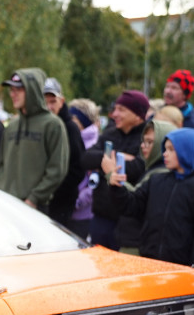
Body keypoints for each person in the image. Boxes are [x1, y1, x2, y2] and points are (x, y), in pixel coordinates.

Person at [108, 127, 194, 267]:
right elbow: (132, 206)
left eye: (171, 150)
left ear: (187, 151)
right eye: (165, 149)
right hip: (150, 260)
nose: (165, 154)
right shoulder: (156, 180)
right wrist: (117, 187)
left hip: (181, 266)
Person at [81, 90, 149, 249]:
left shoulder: (146, 137)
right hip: (101, 217)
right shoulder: (111, 134)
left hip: (129, 223)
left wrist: (106, 163)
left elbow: (139, 168)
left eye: (121, 110)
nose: (114, 114)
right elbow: (86, 158)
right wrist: (119, 157)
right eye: (115, 108)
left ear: (138, 115)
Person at [0, 68, 69, 211]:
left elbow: (57, 169)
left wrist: (34, 198)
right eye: (11, 90)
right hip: (5, 205)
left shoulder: (53, 125)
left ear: (33, 90)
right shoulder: (11, 126)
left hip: (33, 208)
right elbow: (1, 165)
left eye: (19, 89)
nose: (13, 94)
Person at [113, 119, 176, 255]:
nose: (143, 146)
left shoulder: (160, 174)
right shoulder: (152, 169)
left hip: (138, 246)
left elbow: (135, 200)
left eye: (150, 142)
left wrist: (112, 177)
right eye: (143, 141)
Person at [42, 78, 86, 232]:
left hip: (60, 202)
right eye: (44, 101)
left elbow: (78, 168)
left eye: (53, 101)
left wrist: (52, 189)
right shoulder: (40, 126)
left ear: (62, 101)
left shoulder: (70, 129)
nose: (49, 107)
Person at [164, 69, 194, 135]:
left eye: (174, 88)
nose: (168, 91)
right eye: (167, 86)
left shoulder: (192, 125)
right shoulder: (158, 113)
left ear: (184, 95)